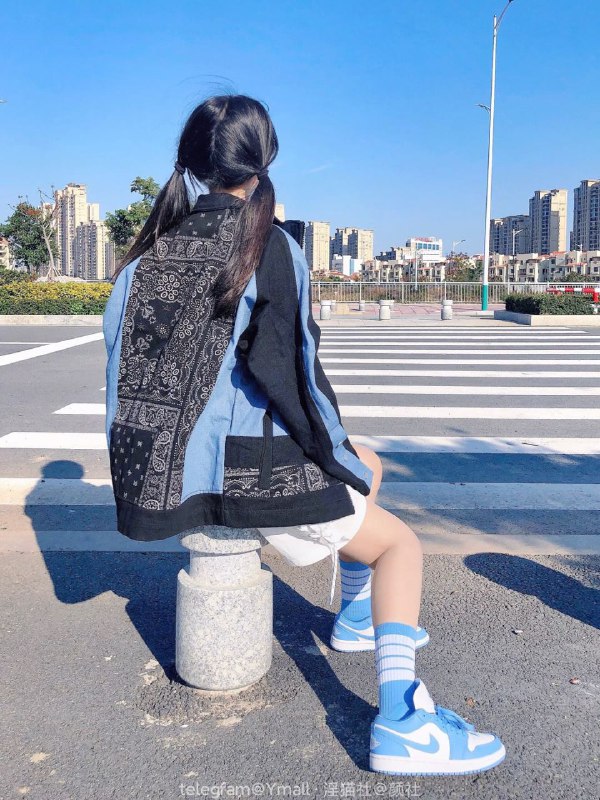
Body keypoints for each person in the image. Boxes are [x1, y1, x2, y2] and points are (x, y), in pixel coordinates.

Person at [103, 93, 505, 776]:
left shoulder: (143, 258)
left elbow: (124, 376)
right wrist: (336, 457)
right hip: (244, 474)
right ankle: (404, 721)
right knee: (399, 544)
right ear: (265, 160)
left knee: (368, 465)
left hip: (164, 481)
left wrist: (350, 460)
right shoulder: (268, 247)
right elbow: (297, 380)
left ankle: (357, 619)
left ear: (193, 164)